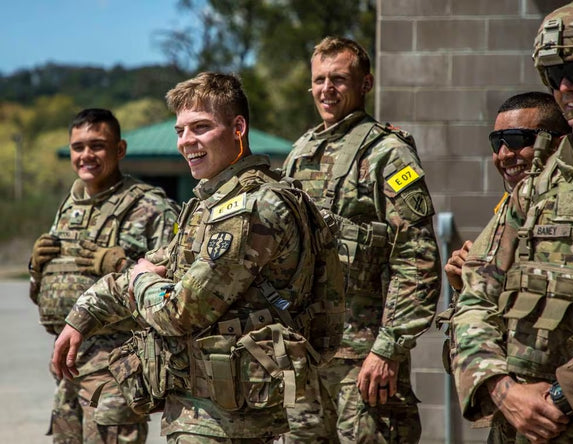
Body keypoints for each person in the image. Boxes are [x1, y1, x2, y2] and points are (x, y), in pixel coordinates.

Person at [51, 72, 345, 443]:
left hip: (224, 421)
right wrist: (83, 315)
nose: (187, 141)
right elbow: (163, 264)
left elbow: (181, 310)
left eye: (201, 127)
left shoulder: (251, 210)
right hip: (209, 412)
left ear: (238, 127)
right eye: (180, 130)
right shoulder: (215, 204)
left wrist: (142, 278)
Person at [452, 1, 573, 442]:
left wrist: (559, 399)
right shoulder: (538, 187)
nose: (568, 86)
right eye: (555, 76)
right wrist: (502, 391)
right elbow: (475, 297)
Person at [282, 36, 441, 443]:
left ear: (365, 84)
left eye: (339, 79)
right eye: (319, 80)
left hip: (365, 359)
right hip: (306, 355)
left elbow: (417, 260)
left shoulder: (389, 153)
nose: (327, 89)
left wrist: (388, 349)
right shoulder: (300, 151)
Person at [28, 108, 180, 443]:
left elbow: (173, 290)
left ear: (120, 150)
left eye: (97, 145)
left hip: (117, 367)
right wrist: (37, 270)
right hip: (68, 364)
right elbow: (49, 289)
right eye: (78, 147)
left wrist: (119, 264)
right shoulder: (70, 207)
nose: (86, 155)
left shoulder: (150, 206)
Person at [441, 92, 570, 320]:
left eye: (517, 140)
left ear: (558, 143)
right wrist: (467, 284)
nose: (504, 154)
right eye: (496, 142)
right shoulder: (505, 211)